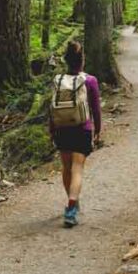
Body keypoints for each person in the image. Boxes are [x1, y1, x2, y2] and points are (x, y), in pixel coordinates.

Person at [49, 40, 102, 227]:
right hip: (82, 128)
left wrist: (52, 130)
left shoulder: (58, 80)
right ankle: (71, 207)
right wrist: (98, 131)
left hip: (62, 128)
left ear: (66, 60)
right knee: (77, 168)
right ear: (82, 60)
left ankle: (72, 201)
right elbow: (95, 109)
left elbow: (52, 108)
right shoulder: (90, 80)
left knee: (66, 167)